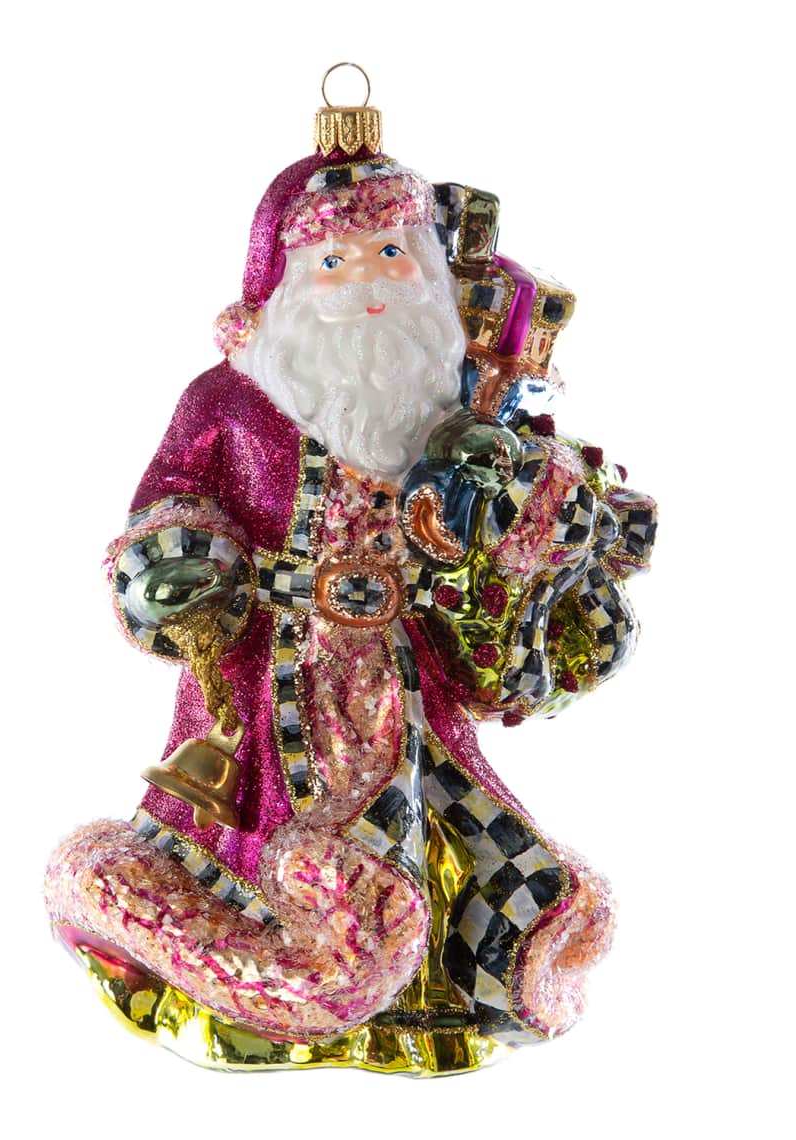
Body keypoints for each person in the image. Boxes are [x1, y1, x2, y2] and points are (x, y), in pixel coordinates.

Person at [44, 149, 656, 1074]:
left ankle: (418, 983)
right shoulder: (229, 401)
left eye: (392, 255)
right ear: (287, 281)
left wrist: (541, 519)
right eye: (335, 262)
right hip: (272, 692)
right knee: (316, 889)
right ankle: (199, 935)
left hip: (410, 702)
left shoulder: (459, 413)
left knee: (528, 908)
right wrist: (175, 559)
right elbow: (166, 500)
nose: (369, 283)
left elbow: (511, 553)